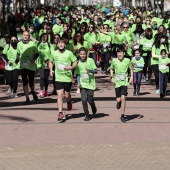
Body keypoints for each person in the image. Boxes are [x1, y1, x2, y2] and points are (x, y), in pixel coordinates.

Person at [49, 38, 77, 121]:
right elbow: (50, 61)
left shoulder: (69, 53)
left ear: (65, 45)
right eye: (59, 43)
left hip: (67, 78)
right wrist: (51, 69)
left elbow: (75, 61)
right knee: (60, 95)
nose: (61, 45)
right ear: (57, 45)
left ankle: (69, 101)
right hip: (58, 78)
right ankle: (60, 113)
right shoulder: (54, 53)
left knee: (67, 95)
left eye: (62, 43)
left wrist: (71, 67)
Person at [110, 47, 133, 123]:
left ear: (124, 54)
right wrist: (112, 77)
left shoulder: (127, 60)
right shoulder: (114, 61)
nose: (119, 54)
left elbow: (131, 69)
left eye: (121, 53)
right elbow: (111, 69)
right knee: (119, 99)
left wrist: (131, 77)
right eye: (118, 53)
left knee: (123, 98)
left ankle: (122, 115)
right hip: (117, 82)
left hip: (124, 82)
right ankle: (118, 102)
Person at [16, 31, 39, 105]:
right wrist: (16, 61)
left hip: (31, 65)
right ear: (22, 36)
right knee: (25, 82)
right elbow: (18, 53)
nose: (26, 36)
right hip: (23, 65)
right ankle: (27, 98)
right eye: (24, 35)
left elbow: (37, 53)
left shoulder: (32, 44)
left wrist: (34, 59)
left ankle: (32, 91)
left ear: (29, 36)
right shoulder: (19, 44)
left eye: (27, 35)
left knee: (31, 82)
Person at [75, 47, 97, 121]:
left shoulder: (91, 61)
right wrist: (78, 82)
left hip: (90, 84)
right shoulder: (78, 63)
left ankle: (93, 106)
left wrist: (90, 71)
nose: (82, 56)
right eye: (81, 54)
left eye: (84, 54)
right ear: (79, 54)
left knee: (90, 100)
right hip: (83, 85)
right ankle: (87, 114)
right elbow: (78, 74)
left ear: (86, 54)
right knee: (84, 100)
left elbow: (96, 71)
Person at [36, 33, 51, 97]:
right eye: (43, 36)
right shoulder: (38, 44)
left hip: (47, 63)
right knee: (42, 77)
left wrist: (49, 60)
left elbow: (52, 53)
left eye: (45, 37)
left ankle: (46, 91)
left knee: (46, 78)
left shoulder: (49, 44)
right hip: (40, 63)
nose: (44, 38)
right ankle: (41, 91)